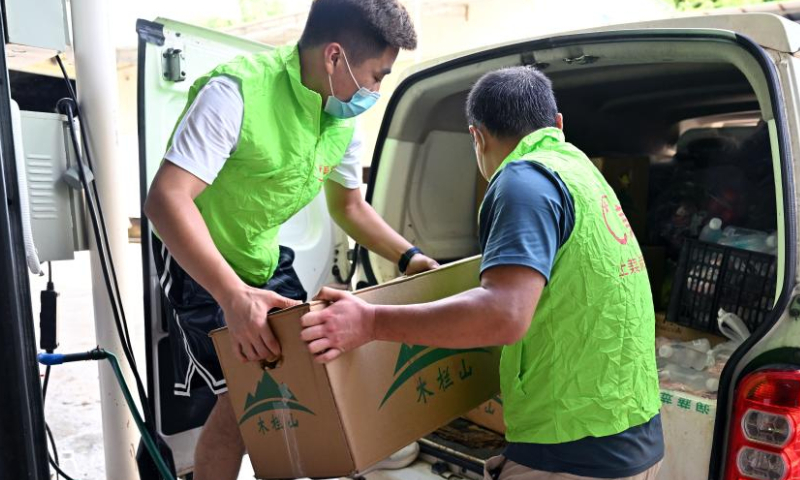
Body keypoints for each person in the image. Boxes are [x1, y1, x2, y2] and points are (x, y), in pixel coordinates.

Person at [300, 66, 664, 480]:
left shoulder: (523, 180)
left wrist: (370, 320)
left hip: (572, 450)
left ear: (477, 136)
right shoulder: (579, 171)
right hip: (633, 433)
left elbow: (503, 314)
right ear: (558, 124)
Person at [144, 1, 437, 478]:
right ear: (334, 56)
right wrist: (233, 297)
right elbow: (166, 200)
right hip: (204, 268)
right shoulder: (235, 92)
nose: (376, 90)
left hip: (262, 260)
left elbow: (349, 207)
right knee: (242, 406)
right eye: (377, 75)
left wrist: (410, 259)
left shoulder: (340, 118)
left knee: (294, 391)